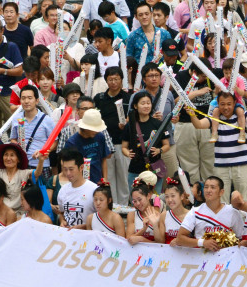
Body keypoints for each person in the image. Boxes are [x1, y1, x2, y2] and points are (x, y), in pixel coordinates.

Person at [188, 95, 247, 203]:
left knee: (245, 198)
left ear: (234, 103)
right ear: (218, 104)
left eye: (229, 104)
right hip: (221, 166)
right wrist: (192, 115)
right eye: (222, 104)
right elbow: (199, 125)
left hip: (241, 164)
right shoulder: (214, 118)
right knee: (220, 200)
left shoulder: (243, 115)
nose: (226, 107)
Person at [175, 176, 244, 251]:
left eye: (212, 187)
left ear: (221, 192)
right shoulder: (195, 212)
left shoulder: (232, 212)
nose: (208, 190)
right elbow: (180, 239)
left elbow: (241, 239)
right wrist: (203, 243)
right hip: (201, 258)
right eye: (206, 187)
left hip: (226, 259)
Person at [121, 91, 170, 193]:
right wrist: (127, 153)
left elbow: (167, 145)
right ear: (135, 106)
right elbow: (124, 147)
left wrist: (159, 150)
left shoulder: (158, 124)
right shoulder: (130, 125)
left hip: (154, 169)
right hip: (135, 169)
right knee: (136, 199)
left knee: (154, 199)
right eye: (143, 103)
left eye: (148, 103)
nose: (146, 106)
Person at [95, 66, 130, 205]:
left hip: (123, 143)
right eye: (110, 79)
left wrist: (126, 123)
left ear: (122, 80)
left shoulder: (128, 97)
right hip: (105, 145)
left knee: (123, 176)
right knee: (108, 177)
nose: (114, 82)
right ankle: (112, 205)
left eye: (116, 79)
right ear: (106, 81)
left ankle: (124, 205)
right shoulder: (99, 98)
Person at [9, 85, 55, 172]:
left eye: (30, 98)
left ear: (37, 100)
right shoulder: (16, 119)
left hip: (41, 164)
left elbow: (55, 141)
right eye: (23, 98)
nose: (26, 101)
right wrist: (18, 145)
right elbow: (13, 139)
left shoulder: (47, 120)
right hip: (21, 164)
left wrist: (43, 151)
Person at [63, 109, 111, 183]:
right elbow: (67, 166)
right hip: (79, 183)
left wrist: (105, 178)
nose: (96, 131)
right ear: (85, 128)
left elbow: (103, 159)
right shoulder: (72, 143)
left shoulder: (100, 137)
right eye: (94, 129)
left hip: (98, 181)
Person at [209, 59, 247, 144]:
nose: (228, 75)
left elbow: (242, 93)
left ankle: (242, 132)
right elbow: (216, 93)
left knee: (240, 112)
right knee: (215, 111)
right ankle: (214, 133)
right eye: (226, 73)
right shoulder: (222, 80)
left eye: (231, 73)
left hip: (236, 102)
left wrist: (237, 88)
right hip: (223, 104)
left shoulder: (239, 80)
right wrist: (217, 89)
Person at [57, 148, 97, 229]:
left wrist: (83, 227)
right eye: (65, 169)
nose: (68, 173)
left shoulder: (94, 190)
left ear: (81, 167)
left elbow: (103, 218)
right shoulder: (63, 190)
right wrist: (62, 221)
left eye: (71, 169)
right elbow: (61, 212)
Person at [152, 177, 189, 244]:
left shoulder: (191, 215)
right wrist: (155, 224)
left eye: (173, 196)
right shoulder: (164, 215)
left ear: (182, 196)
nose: (169, 200)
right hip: (169, 253)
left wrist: (182, 241)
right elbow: (160, 241)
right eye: (167, 196)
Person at [126, 179, 159, 244]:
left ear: (148, 196)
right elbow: (128, 239)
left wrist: (142, 239)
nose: (138, 203)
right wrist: (143, 230)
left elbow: (161, 243)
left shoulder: (157, 215)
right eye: (134, 201)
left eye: (140, 199)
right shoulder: (132, 215)